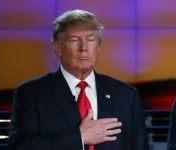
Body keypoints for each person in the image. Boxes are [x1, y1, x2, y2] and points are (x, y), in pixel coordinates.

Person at [9, 9, 148, 150]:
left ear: (99, 47)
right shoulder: (30, 93)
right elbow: (21, 147)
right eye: (74, 40)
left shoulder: (127, 95)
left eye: (90, 39)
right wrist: (80, 137)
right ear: (57, 48)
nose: (84, 48)